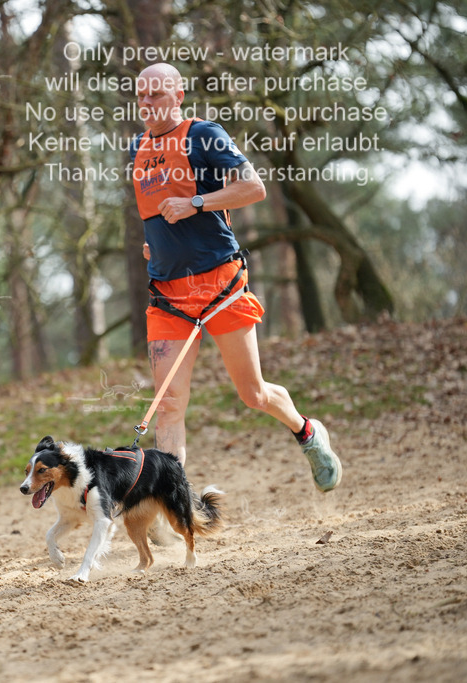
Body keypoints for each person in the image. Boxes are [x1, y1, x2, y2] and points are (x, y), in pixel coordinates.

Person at [129, 62, 342, 493]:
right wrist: (155, 244)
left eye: (156, 94)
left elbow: (254, 188)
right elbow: (153, 213)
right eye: (141, 95)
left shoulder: (203, 134)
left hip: (219, 285)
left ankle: (308, 433)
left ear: (178, 96)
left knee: (254, 394)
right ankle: (174, 500)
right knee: (168, 404)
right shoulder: (136, 147)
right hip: (168, 295)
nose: (147, 103)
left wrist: (197, 203)